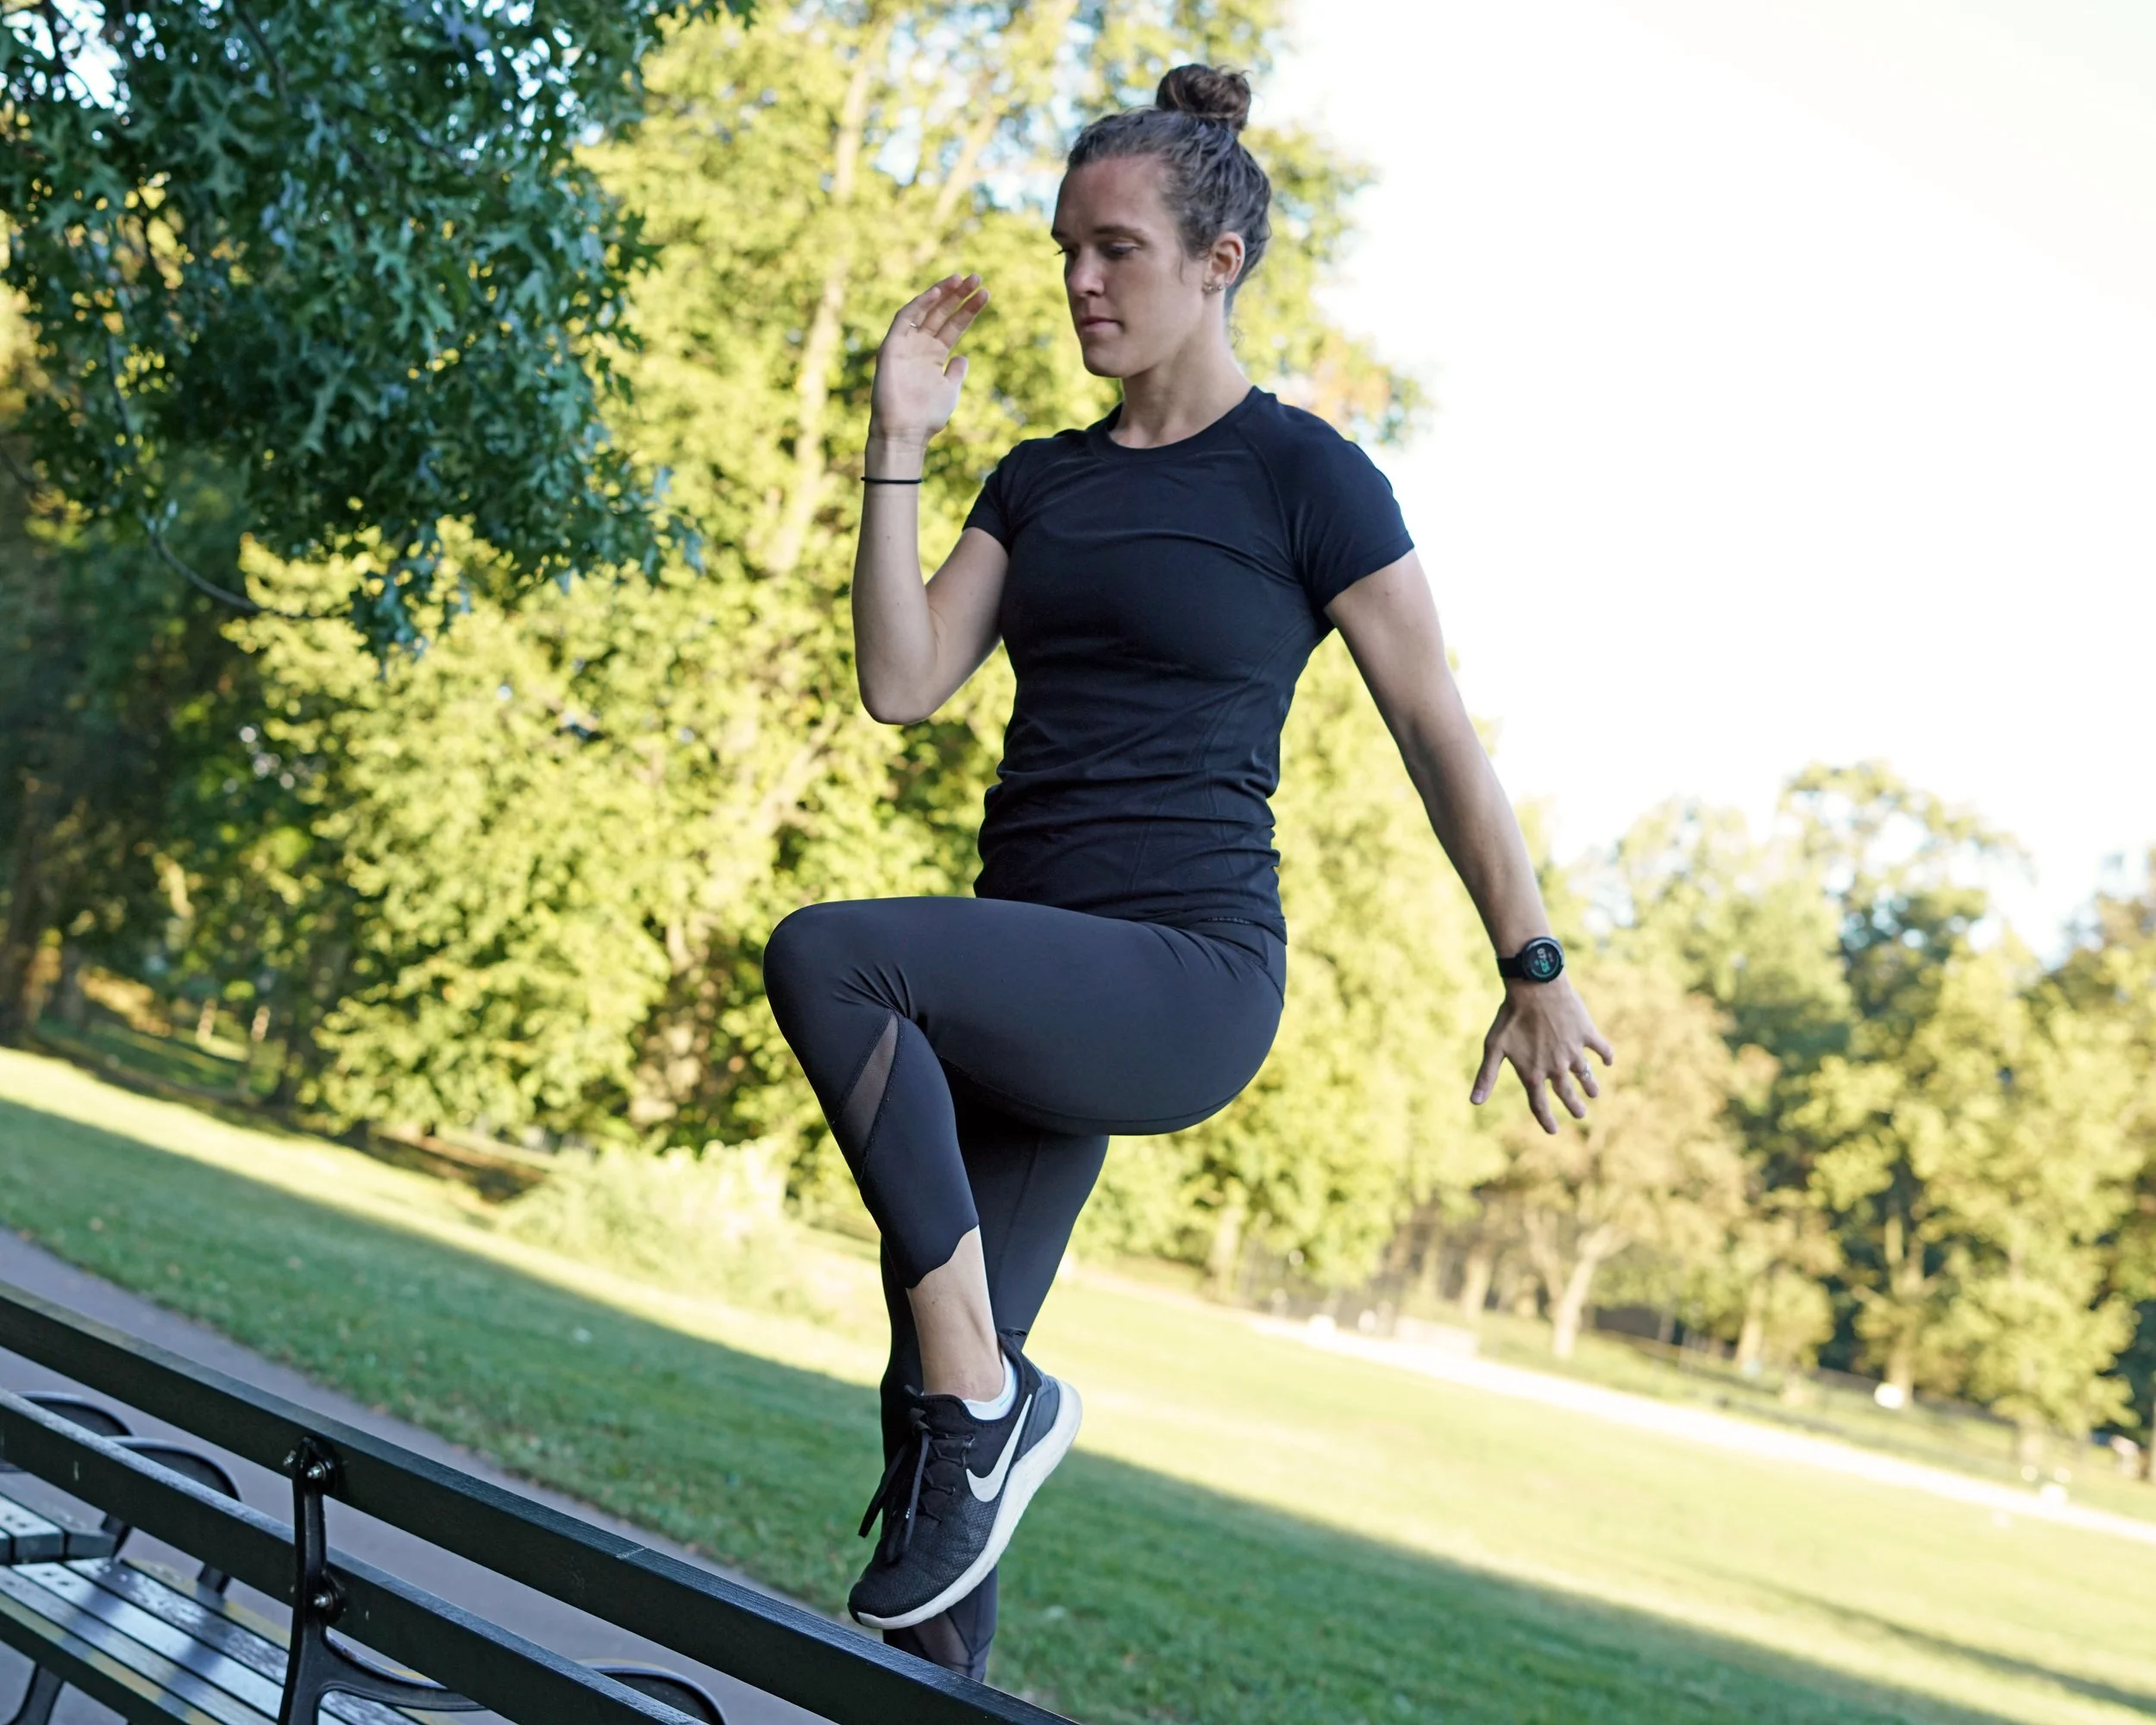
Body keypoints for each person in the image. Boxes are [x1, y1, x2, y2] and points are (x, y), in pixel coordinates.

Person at [761, 62, 1613, 1682]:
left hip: (1183, 974)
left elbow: (1437, 725)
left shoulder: (1307, 479)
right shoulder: (1043, 480)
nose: (1080, 280)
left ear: (1218, 263)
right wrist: (899, 446)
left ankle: (994, 1405)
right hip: (1032, 966)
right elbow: (902, 680)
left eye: (1118, 250)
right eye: (1066, 248)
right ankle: (965, 1492)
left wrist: (1534, 961)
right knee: (934, 1418)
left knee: (830, 954)